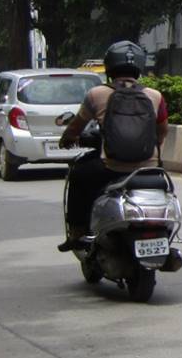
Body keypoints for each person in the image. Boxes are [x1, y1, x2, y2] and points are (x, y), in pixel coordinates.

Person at [56, 40, 168, 252]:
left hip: (111, 168)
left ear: (109, 67)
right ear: (139, 67)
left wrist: (67, 139)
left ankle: (78, 232)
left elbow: (76, 126)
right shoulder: (155, 96)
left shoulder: (96, 94)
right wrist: (154, 150)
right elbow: (162, 131)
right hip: (148, 169)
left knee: (78, 173)